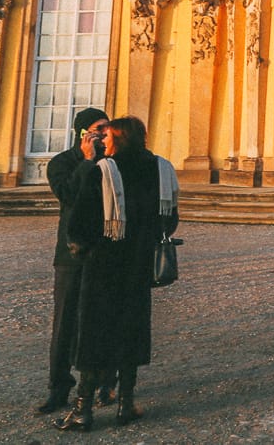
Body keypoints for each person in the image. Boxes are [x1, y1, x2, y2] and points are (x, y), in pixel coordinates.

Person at [56, 116, 179, 432]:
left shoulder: (103, 170)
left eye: (107, 136)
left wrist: (81, 248)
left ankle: (83, 410)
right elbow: (170, 220)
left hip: (104, 266)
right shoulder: (162, 170)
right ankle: (126, 403)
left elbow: (80, 224)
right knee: (131, 330)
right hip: (139, 265)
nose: (103, 142)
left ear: (120, 138)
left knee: (95, 333)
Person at [37, 107, 108, 414]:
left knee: (103, 322)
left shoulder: (112, 163)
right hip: (72, 253)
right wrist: (87, 161)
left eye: (107, 129)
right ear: (83, 133)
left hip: (105, 252)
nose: (106, 134)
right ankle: (58, 387)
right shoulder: (62, 164)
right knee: (65, 324)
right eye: (99, 129)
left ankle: (103, 384)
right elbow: (67, 195)